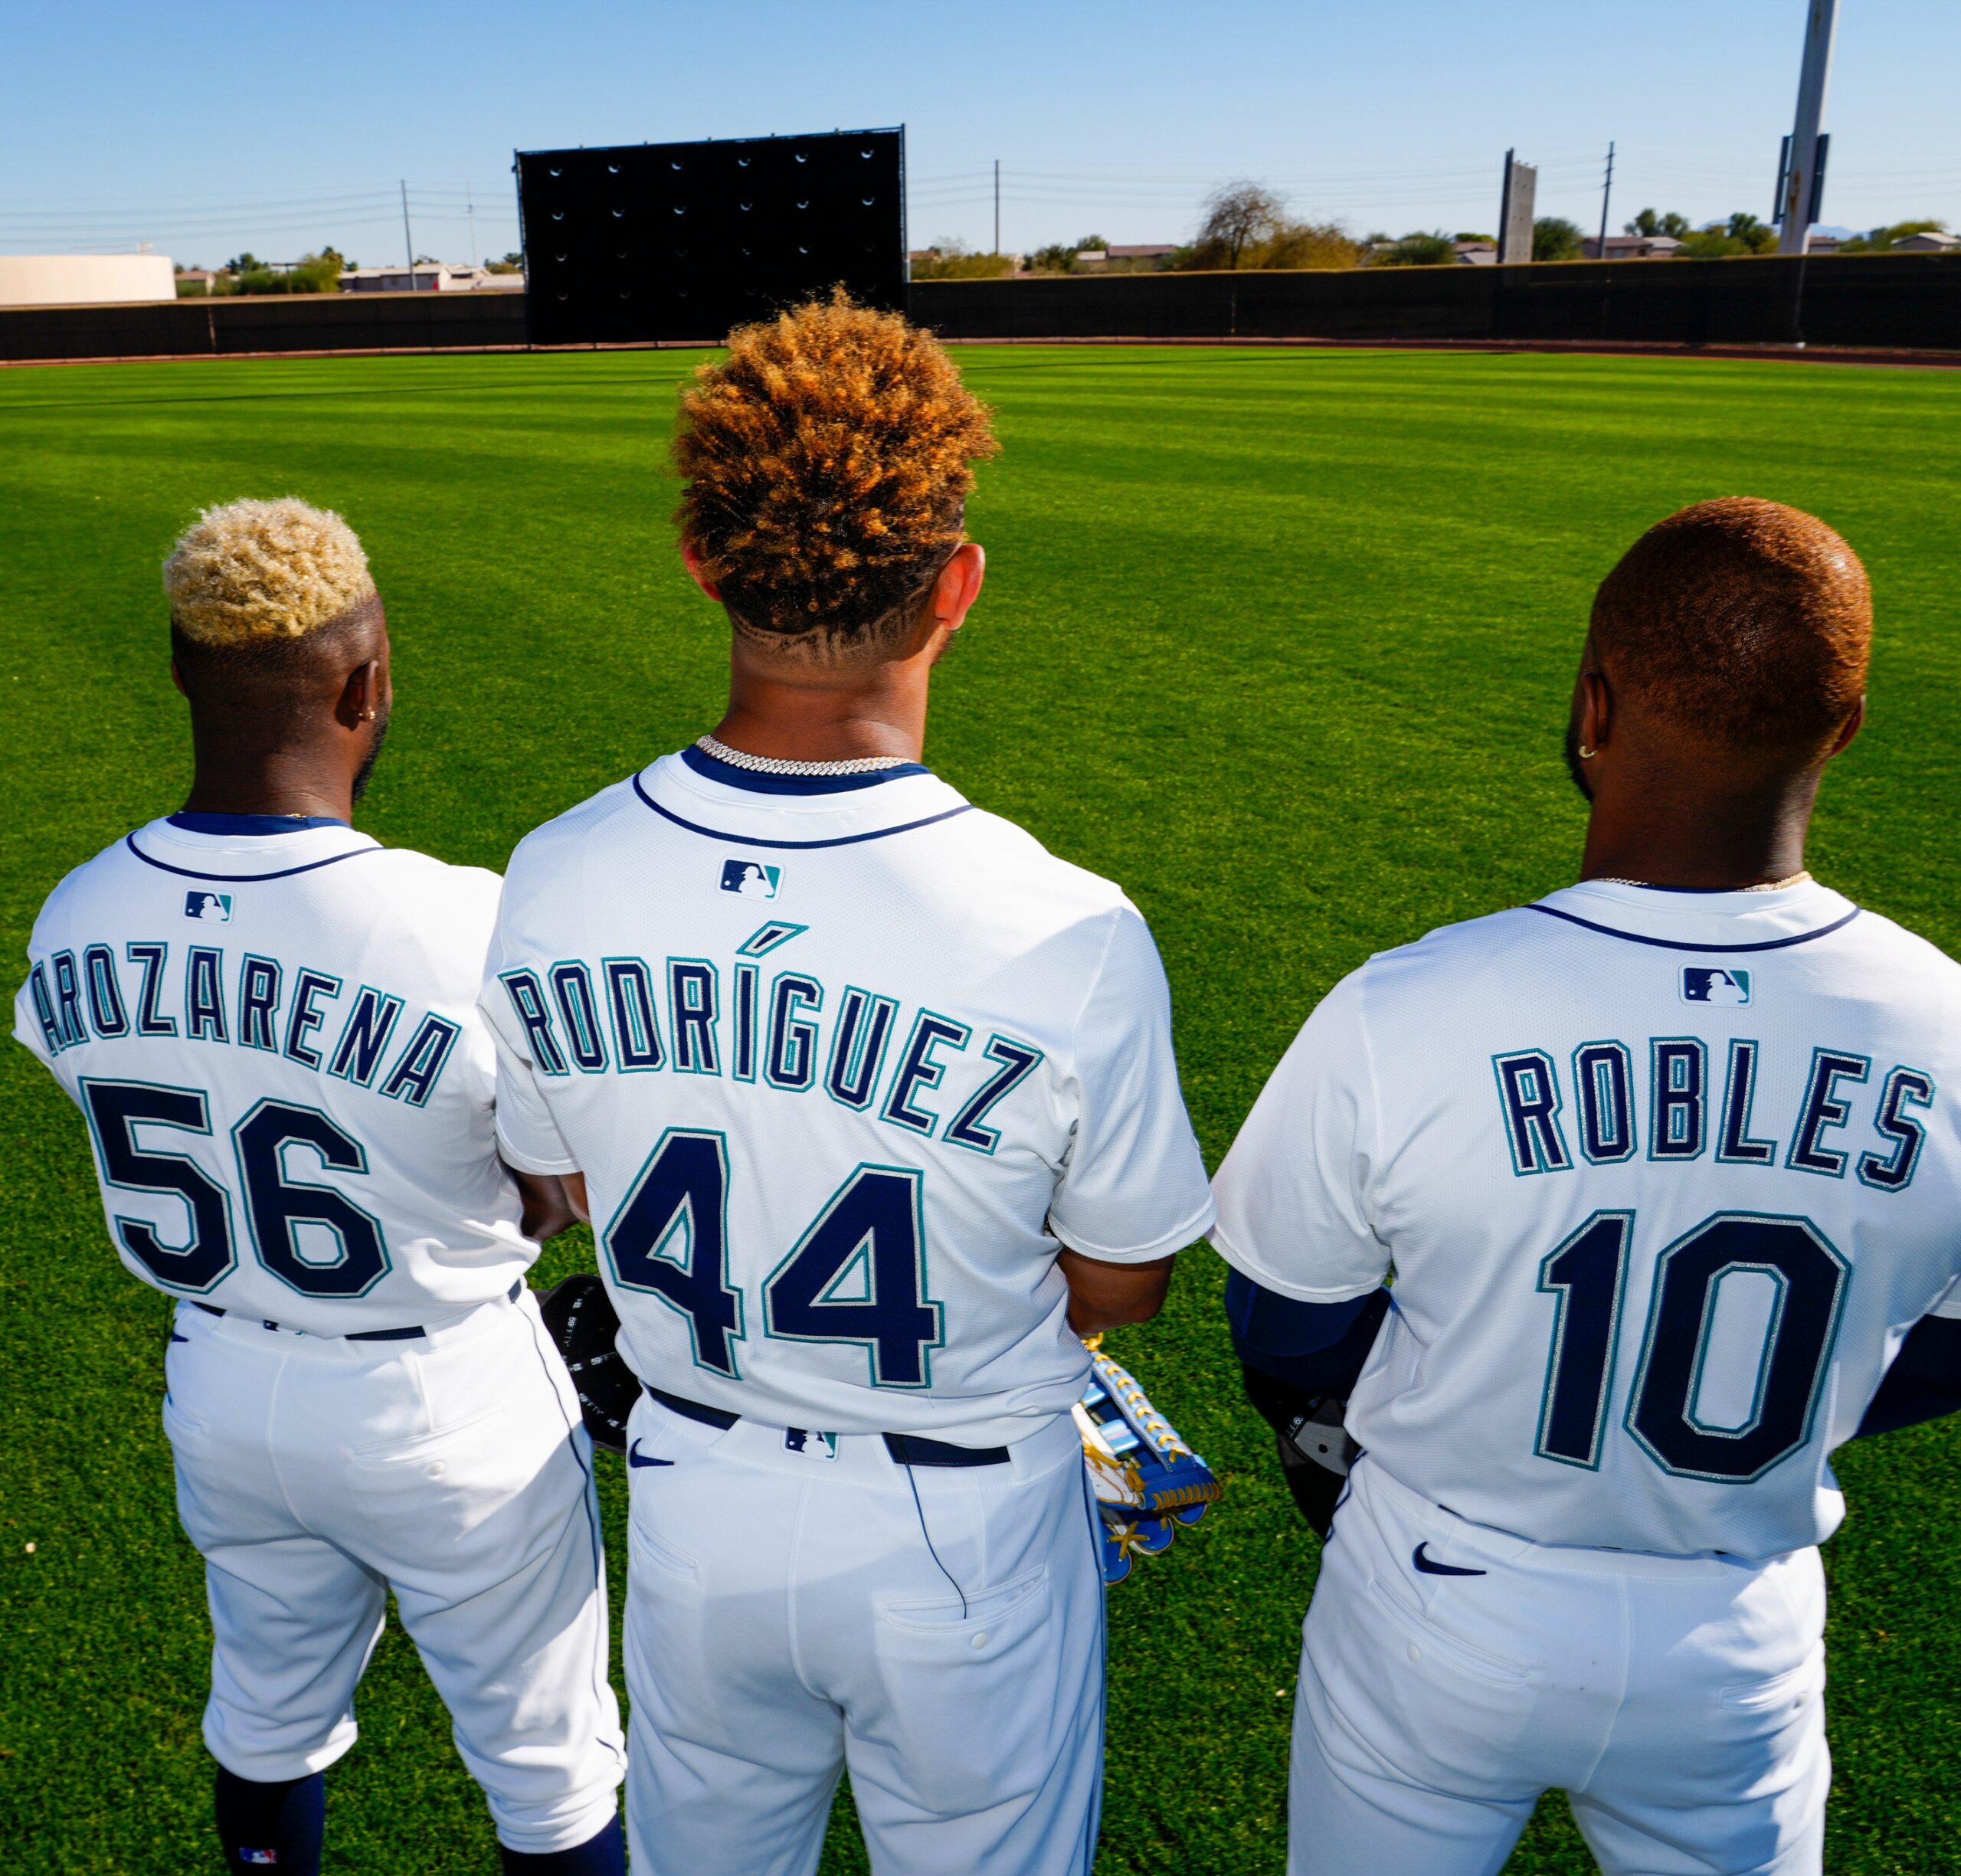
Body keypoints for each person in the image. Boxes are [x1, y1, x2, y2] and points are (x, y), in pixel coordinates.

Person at [481, 296, 1215, 1876]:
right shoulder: (1065, 926)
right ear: (956, 583)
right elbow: (1126, 1277)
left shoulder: (553, 871)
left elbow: (570, 1189)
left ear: (702, 558)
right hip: (959, 1527)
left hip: (690, 1502)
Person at [1211, 498, 1961, 1876]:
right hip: (1734, 1632)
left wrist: (1395, 1416)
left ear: (1593, 705)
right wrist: (1804, 1388)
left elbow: (1286, 1321)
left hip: (1443, 1598)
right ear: (1845, 725)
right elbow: (1957, 1344)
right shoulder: (1950, 1025)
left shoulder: (1416, 1000)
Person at [12, 499, 625, 1875]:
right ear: (367, 684)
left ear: (181, 673)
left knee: (267, 1715)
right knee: (548, 1764)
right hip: (444, 1395)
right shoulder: (465, 920)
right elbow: (553, 1190)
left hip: (222, 1386)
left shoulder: (76, 912)